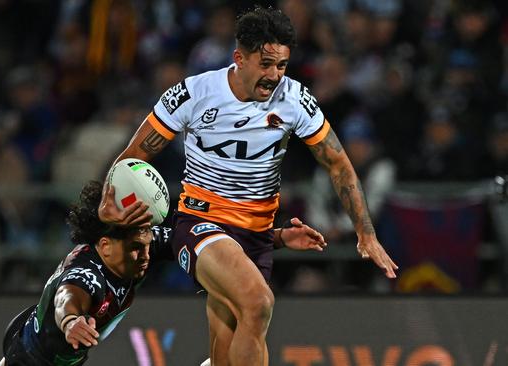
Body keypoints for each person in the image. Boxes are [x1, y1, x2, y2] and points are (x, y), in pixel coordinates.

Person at [98, 6, 398, 366]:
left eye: (282, 65)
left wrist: (365, 233)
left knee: (227, 352)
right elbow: (132, 157)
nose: (274, 76)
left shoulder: (295, 100)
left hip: (257, 236)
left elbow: (339, 165)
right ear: (239, 58)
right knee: (258, 303)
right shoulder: (194, 94)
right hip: (200, 223)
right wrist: (107, 205)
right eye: (266, 64)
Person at [0, 180, 327, 365]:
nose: (145, 256)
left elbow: (207, 245)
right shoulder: (87, 274)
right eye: (136, 249)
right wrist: (71, 321)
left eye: (146, 243)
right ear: (105, 245)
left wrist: (280, 238)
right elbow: (68, 297)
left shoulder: (136, 244)